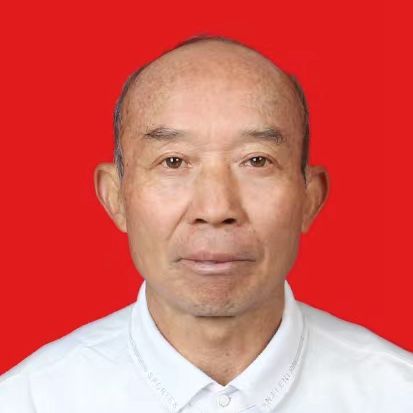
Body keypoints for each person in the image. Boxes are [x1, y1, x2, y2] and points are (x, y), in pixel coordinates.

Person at [0, 35, 411, 413]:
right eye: (173, 161)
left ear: (310, 198)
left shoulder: (397, 394)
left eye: (257, 160)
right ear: (115, 197)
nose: (216, 208)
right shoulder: (30, 400)